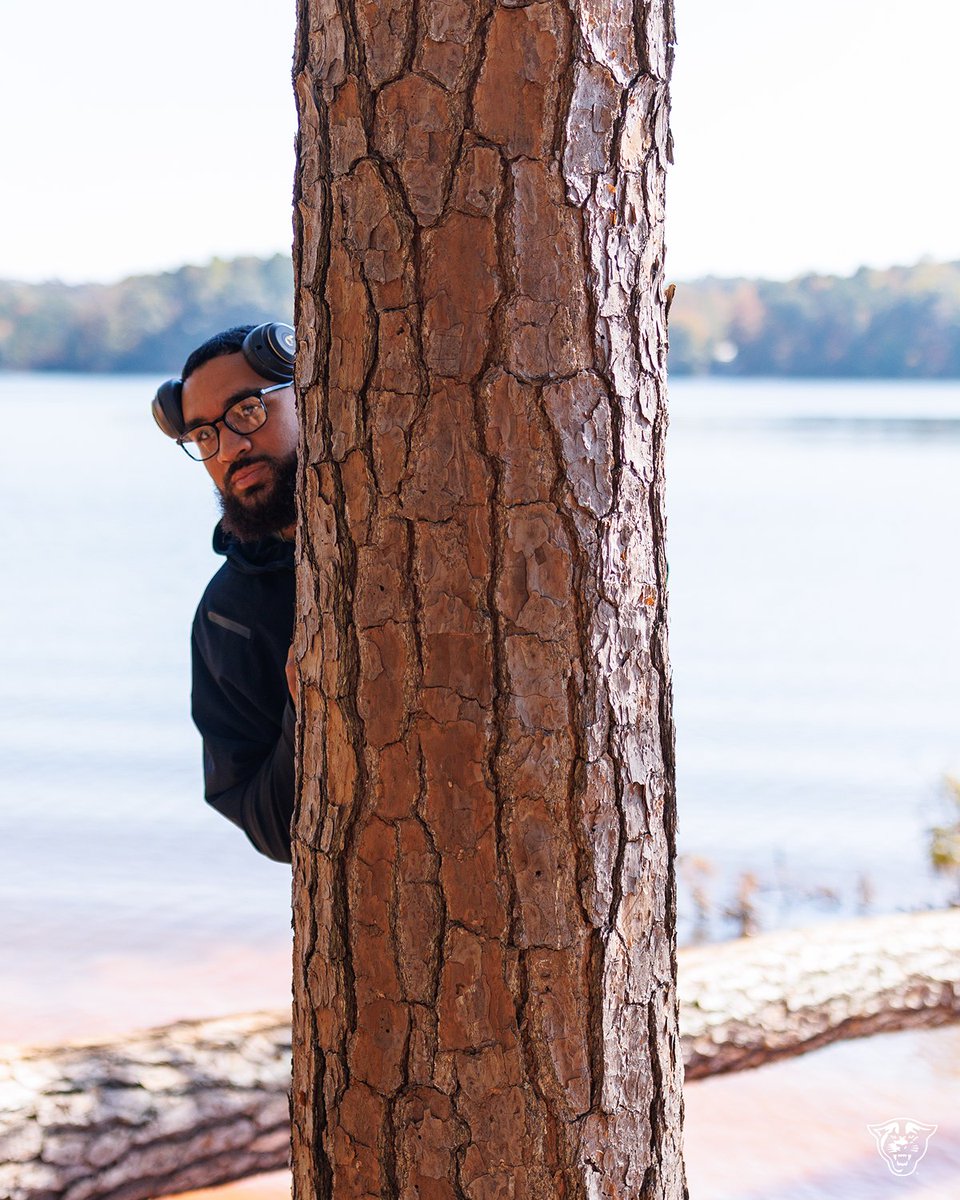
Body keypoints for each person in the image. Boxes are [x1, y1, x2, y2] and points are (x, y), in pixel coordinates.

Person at [152, 322, 298, 862]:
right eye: (205, 436)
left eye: (248, 410)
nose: (230, 448)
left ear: (309, 394)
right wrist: (305, 708)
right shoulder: (226, 615)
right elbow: (273, 832)